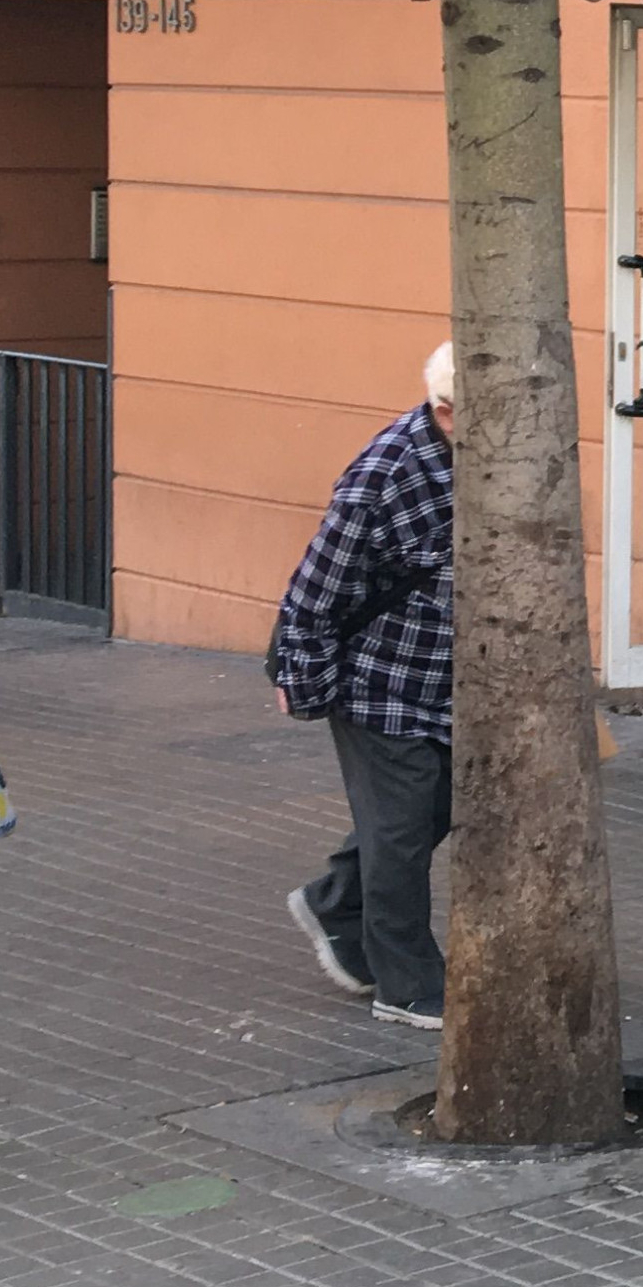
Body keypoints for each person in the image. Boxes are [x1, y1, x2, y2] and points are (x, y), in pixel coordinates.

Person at [269, 347, 458, 1030]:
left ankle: (335, 901)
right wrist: (306, 681)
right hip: (380, 682)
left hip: (447, 679)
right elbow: (315, 591)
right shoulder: (385, 474)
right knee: (402, 829)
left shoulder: (492, 458)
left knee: (429, 810)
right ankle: (405, 984)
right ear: (445, 411)